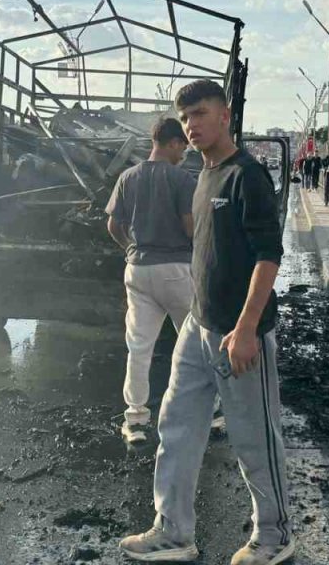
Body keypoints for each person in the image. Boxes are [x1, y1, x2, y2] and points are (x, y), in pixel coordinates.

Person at [120, 80, 293, 565]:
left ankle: (275, 536)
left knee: (254, 437)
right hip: (198, 326)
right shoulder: (202, 175)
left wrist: (245, 329)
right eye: (186, 117)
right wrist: (198, 314)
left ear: (225, 114)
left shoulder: (247, 176)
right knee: (176, 425)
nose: (192, 125)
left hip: (239, 332)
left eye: (200, 113)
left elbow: (268, 256)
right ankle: (172, 531)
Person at [106, 118, 197, 445]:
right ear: (172, 143)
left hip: (138, 269)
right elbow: (190, 228)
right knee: (193, 343)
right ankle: (207, 413)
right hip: (175, 268)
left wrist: (131, 248)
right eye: (182, 146)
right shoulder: (183, 180)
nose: (184, 152)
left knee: (139, 347)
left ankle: (135, 420)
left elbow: (113, 227)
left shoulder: (127, 177)